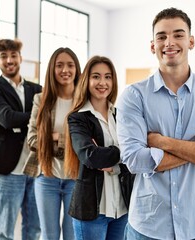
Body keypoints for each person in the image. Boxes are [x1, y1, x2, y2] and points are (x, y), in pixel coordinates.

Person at [116, 7, 195, 240]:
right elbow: (135, 160)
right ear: (152, 45)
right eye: (161, 36)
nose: (169, 42)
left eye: (178, 34)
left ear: (191, 41)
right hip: (148, 226)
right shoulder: (133, 96)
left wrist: (162, 142)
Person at [0, 38, 42, 240]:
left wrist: (23, 121)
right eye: (3, 56)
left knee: (33, 229)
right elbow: (6, 119)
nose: (9, 60)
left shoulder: (37, 89)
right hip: (8, 169)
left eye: (13, 55)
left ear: (20, 58)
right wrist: (35, 117)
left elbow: (49, 118)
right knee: (4, 232)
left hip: (36, 167)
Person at [64, 56, 128, 240]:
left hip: (122, 208)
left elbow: (138, 154)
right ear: (87, 80)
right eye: (96, 76)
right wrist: (124, 151)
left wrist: (114, 160)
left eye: (108, 77)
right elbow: (91, 156)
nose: (102, 82)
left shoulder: (121, 115)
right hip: (92, 210)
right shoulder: (78, 118)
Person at [23, 47, 81, 240]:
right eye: (59, 65)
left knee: (72, 235)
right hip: (46, 176)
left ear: (76, 69)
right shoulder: (41, 99)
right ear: (52, 70)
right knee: (49, 235)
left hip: (75, 177)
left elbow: (87, 140)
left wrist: (57, 137)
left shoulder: (83, 102)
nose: (65, 70)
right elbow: (32, 138)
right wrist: (68, 139)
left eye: (70, 65)